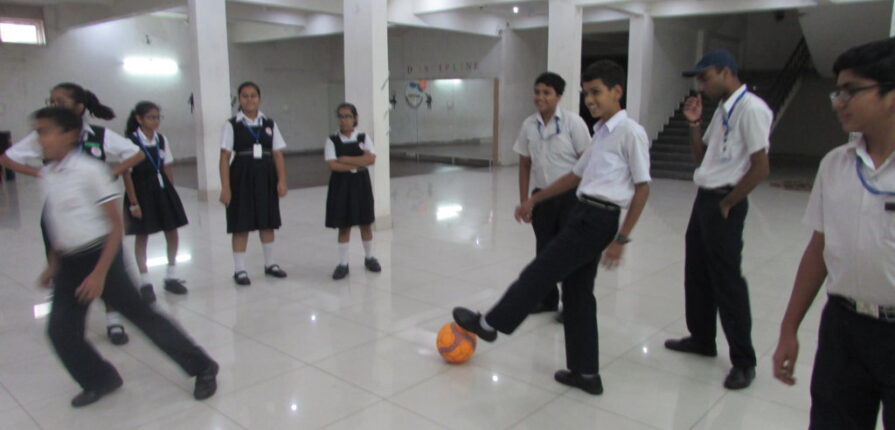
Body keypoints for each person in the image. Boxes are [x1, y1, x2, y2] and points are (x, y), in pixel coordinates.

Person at [452, 60, 651, 395]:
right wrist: (534, 199)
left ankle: (488, 324)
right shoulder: (601, 132)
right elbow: (573, 176)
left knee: (540, 272)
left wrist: (621, 238)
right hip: (585, 212)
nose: (590, 100)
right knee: (578, 295)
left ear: (617, 91)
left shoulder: (630, 132)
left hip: (597, 219)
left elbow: (643, 187)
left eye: (596, 92)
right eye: (586, 93)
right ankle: (586, 373)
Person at [33, 106, 218, 408]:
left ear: (69, 135)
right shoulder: (48, 175)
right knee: (60, 330)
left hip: (100, 257)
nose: (39, 139)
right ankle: (100, 378)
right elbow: (58, 222)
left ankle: (203, 367)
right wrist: (53, 264)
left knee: (143, 317)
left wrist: (99, 274)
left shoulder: (90, 171)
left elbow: (116, 226)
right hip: (69, 262)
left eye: (45, 132)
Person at [772, 38, 895, 429]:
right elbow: (818, 248)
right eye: (836, 92)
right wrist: (789, 328)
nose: (839, 102)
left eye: (851, 91)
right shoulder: (835, 165)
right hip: (843, 327)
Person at [0, 82, 145, 345]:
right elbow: (8, 158)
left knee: (107, 270)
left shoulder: (99, 135)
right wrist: (40, 173)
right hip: (61, 214)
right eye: (52, 101)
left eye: (61, 101)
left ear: (79, 106)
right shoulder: (45, 135)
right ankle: (69, 323)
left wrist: (111, 172)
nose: (54, 105)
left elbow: (136, 154)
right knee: (67, 271)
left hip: (96, 213)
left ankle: (113, 319)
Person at [663, 50, 771, 390]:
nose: (701, 86)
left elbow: (761, 167)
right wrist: (694, 123)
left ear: (726, 72)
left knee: (727, 281)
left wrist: (729, 202)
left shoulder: (752, 109)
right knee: (696, 271)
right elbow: (702, 156)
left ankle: (744, 360)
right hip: (706, 198)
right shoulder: (724, 109)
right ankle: (702, 338)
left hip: (724, 201)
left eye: (705, 78)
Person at [514, 71, 591, 320]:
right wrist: (525, 200)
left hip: (571, 197)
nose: (540, 97)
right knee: (545, 251)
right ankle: (547, 299)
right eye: (537, 92)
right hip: (542, 198)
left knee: (569, 252)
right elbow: (524, 163)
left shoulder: (573, 123)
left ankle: (571, 305)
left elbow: (587, 163)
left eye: (546, 92)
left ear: (559, 96)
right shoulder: (529, 125)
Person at [219, 81, 288, 286]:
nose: (249, 99)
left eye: (253, 95)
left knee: (268, 221)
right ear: (239, 100)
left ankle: (270, 264)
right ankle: (239, 269)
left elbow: (277, 154)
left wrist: (282, 180)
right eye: (245, 96)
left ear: (259, 98)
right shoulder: (232, 125)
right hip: (241, 176)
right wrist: (225, 187)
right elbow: (224, 157)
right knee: (241, 223)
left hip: (266, 176)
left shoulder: (269, 124)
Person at [122, 101, 189, 303]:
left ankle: (171, 276)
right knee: (142, 235)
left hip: (162, 190)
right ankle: (145, 282)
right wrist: (133, 202)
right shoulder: (130, 142)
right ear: (139, 119)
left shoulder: (161, 139)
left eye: (158, 117)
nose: (156, 121)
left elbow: (166, 166)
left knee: (172, 232)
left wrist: (171, 192)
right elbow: (126, 174)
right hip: (141, 191)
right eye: (151, 117)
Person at [324, 102, 381, 280]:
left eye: (348, 116)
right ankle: (343, 264)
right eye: (340, 116)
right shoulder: (332, 140)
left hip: (361, 184)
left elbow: (371, 160)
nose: (344, 120)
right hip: (341, 185)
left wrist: (345, 159)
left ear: (355, 118)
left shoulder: (363, 137)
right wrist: (358, 162)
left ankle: (369, 258)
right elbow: (333, 165)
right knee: (344, 225)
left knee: (365, 223)